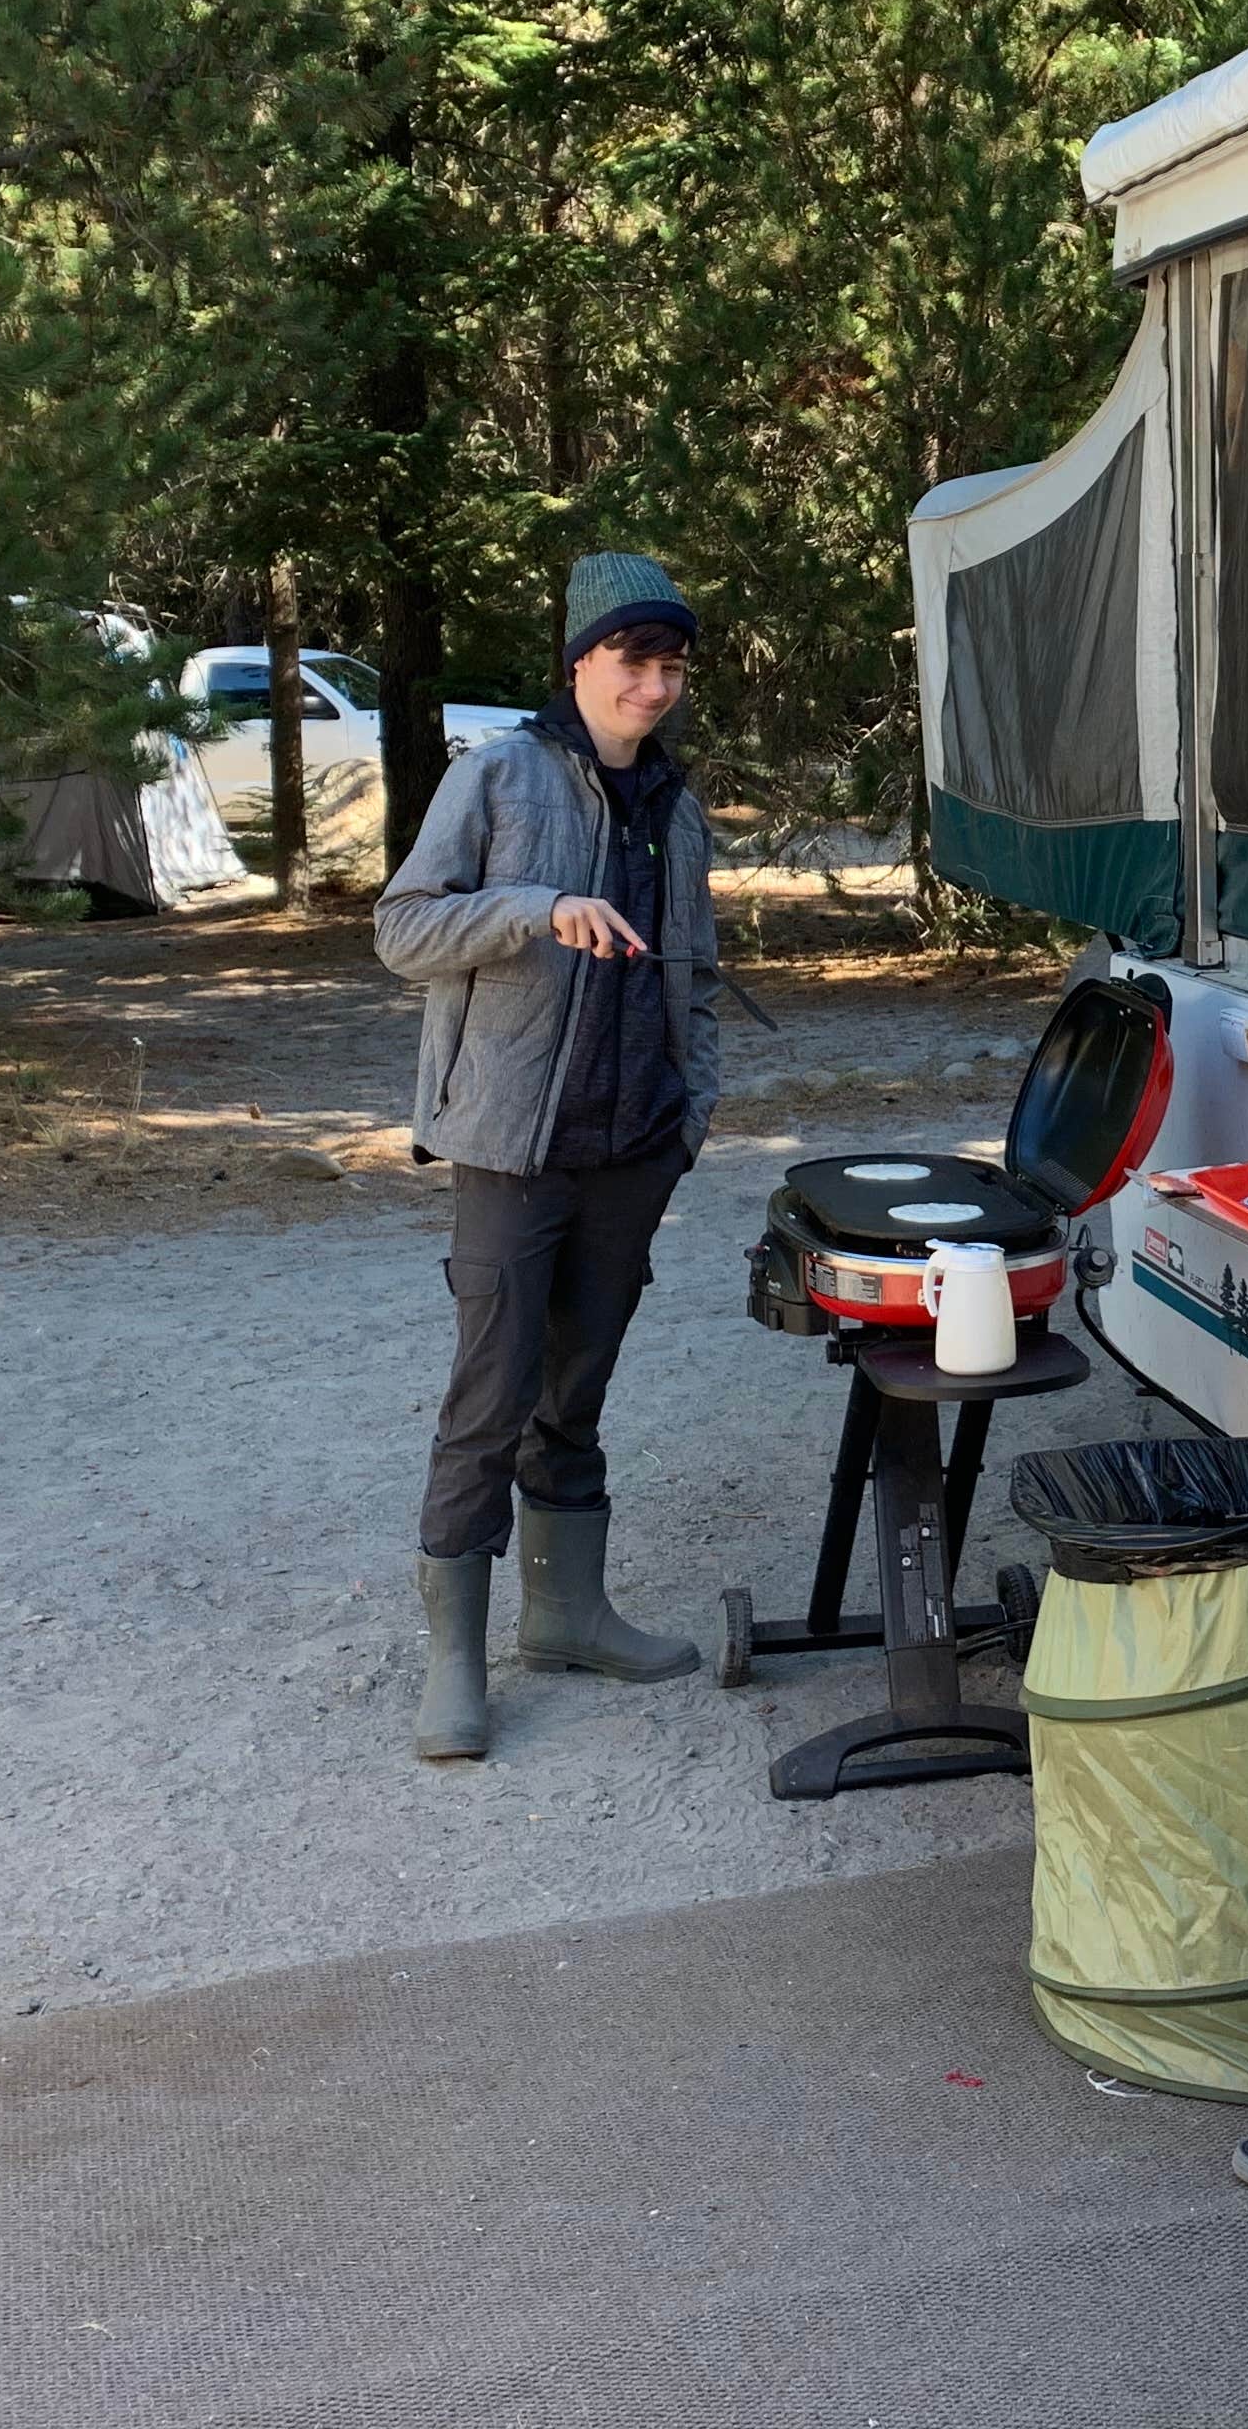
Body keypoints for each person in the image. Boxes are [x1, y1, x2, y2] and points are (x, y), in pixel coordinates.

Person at [372, 551, 720, 1760]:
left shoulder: (677, 806)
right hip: (513, 1149)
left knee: (575, 1393)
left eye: (670, 666)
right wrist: (533, 906)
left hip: (634, 1146)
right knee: (490, 1399)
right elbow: (404, 929)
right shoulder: (502, 775)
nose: (654, 686)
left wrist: (693, 1115)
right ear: (580, 661)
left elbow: (696, 976)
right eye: (635, 661)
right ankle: (456, 1666)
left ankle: (567, 1616)